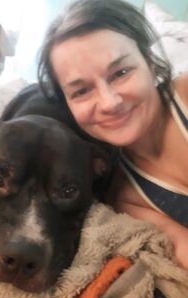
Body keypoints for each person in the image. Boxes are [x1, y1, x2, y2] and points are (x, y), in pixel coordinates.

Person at [37, 0, 188, 272]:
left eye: (120, 72)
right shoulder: (126, 197)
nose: (109, 102)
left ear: (150, 63)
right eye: (81, 91)